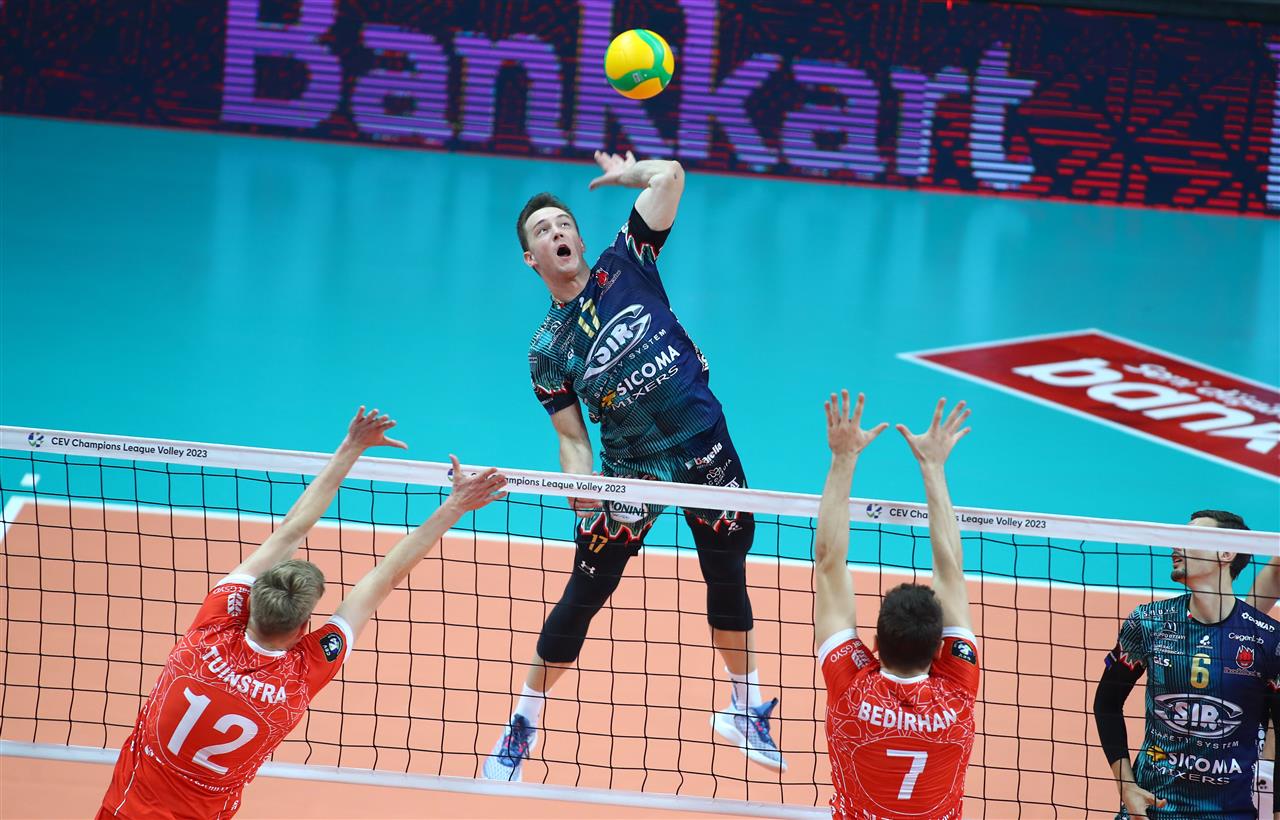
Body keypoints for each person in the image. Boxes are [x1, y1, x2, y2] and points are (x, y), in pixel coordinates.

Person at [485, 150, 781, 781]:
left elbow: (670, 177)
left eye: (564, 223)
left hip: (705, 446)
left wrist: (631, 175)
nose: (557, 232)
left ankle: (744, 707)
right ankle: (523, 724)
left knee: (727, 575)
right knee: (585, 592)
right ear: (531, 259)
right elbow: (572, 438)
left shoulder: (626, 261)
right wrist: (581, 489)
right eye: (543, 231)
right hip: (631, 473)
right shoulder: (547, 350)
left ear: (579, 237)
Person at [98, 408, 508, 818]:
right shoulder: (300, 674)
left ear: (249, 603)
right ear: (302, 630)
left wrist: (351, 446)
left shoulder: (212, 629)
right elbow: (383, 579)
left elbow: (290, 531)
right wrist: (455, 505)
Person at [814, 392, 981, 819]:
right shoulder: (957, 692)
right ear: (938, 650)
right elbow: (951, 572)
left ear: (874, 643)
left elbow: (829, 563)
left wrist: (843, 458)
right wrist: (933, 466)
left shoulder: (851, 690)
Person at [1093, 510, 1280, 819]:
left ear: (1226, 552)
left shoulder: (1269, 639)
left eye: (1191, 537)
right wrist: (1127, 786)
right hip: (1155, 807)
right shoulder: (1148, 623)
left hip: (1233, 812)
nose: (1175, 545)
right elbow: (1107, 702)